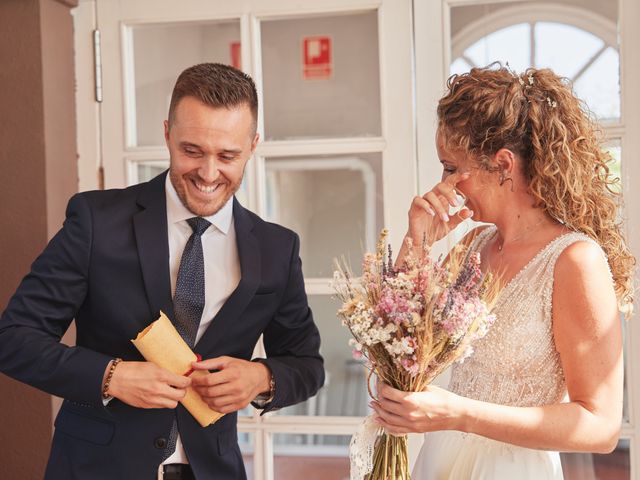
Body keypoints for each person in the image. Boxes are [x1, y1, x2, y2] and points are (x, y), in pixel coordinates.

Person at [0, 63, 324, 480]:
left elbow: (306, 364)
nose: (209, 173)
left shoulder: (277, 247)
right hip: (96, 469)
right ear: (167, 132)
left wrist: (260, 376)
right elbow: (14, 339)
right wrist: (111, 377)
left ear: (253, 144)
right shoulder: (96, 221)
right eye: (192, 150)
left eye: (228, 156)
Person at [370, 65, 635, 479]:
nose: (445, 186)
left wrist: (460, 413)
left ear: (503, 164)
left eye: (450, 167)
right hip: (441, 462)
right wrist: (416, 242)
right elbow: (397, 353)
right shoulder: (472, 248)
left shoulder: (574, 261)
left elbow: (600, 426)